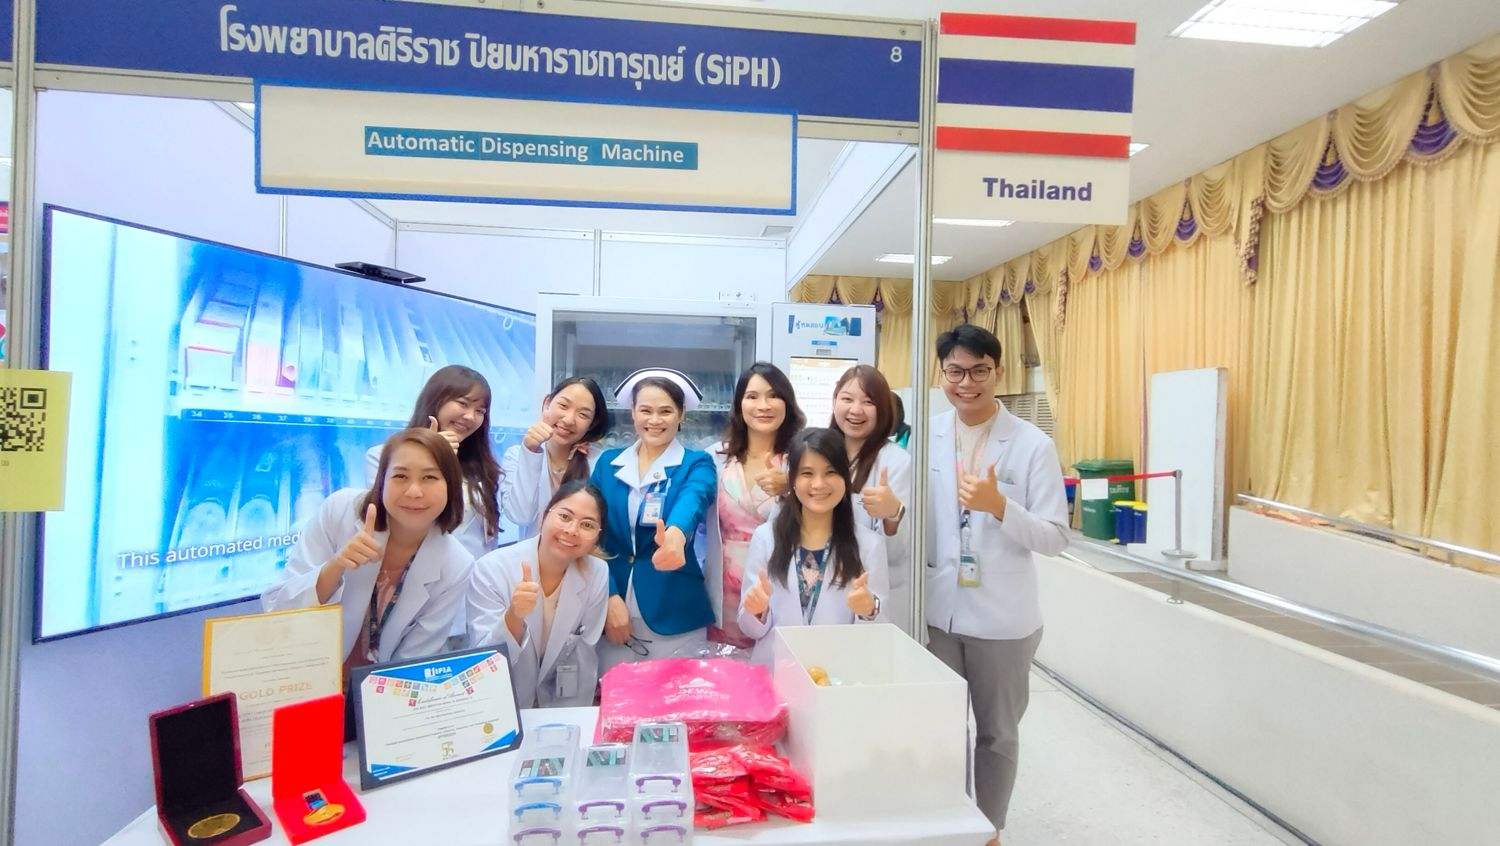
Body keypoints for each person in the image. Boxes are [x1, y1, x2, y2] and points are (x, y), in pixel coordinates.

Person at [924, 323, 1068, 846]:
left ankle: (988, 829)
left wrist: (1000, 506)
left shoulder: (1032, 445)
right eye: (955, 371)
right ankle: (944, 819)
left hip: (1004, 619)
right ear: (941, 374)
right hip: (938, 611)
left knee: (997, 733)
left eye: (979, 370)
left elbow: (1055, 537)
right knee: (938, 729)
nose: (967, 382)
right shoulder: (929, 434)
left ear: (998, 372)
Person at [266, 428, 475, 672]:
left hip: (379, 691)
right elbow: (276, 607)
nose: (414, 491)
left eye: (429, 478)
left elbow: (414, 660)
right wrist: (335, 567)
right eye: (400, 476)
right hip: (300, 674)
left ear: (450, 487)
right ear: (381, 481)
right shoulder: (340, 510)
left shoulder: (457, 564)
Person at [589, 368, 717, 670]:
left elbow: (694, 499)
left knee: (677, 709)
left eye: (665, 411)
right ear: (632, 413)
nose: (654, 420)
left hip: (675, 611)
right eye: (645, 410)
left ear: (681, 413)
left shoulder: (696, 463)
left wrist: (675, 535)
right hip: (612, 613)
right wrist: (609, 595)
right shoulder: (608, 464)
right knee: (617, 705)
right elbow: (591, 533)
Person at [738, 428, 889, 665]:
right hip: (776, 671)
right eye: (807, 473)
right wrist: (757, 611)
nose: (818, 484)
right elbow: (750, 628)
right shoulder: (766, 538)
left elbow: (879, 631)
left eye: (830, 472)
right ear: (793, 480)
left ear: (845, 477)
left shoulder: (868, 545)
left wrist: (868, 610)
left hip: (838, 676)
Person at [467, 481, 610, 708]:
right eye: (564, 517)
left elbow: (584, 653)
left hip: (563, 705)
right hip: (500, 704)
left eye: (587, 525)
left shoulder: (597, 572)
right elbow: (484, 660)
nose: (572, 530)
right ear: (544, 517)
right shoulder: (491, 569)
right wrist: (514, 616)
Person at [705, 362, 804, 649]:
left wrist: (792, 486)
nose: (764, 405)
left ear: (787, 403)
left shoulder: (801, 461)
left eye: (774, 396)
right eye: (752, 396)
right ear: (738, 405)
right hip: (723, 593)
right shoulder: (716, 458)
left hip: (781, 584)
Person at [365, 365, 501, 559]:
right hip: (418, 574)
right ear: (435, 401)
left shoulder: (480, 465)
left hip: (474, 579)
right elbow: (394, 521)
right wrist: (433, 456)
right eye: (463, 404)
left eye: (480, 410)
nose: (470, 416)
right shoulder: (382, 456)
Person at [829, 365, 914, 632]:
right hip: (824, 584)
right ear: (834, 401)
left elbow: (899, 552)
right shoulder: (819, 450)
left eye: (868, 402)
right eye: (847, 399)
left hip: (873, 593)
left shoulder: (896, 461)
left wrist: (893, 514)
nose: (856, 410)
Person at [501, 376, 611, 538]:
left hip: (582, 559)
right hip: (533, 560)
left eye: (583, 415)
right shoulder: (517, 455)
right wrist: (530, 451)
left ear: (592, 423)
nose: (568, 420)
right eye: (563, 406)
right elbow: (520, 516)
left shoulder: (599, 462)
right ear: (547, 404)